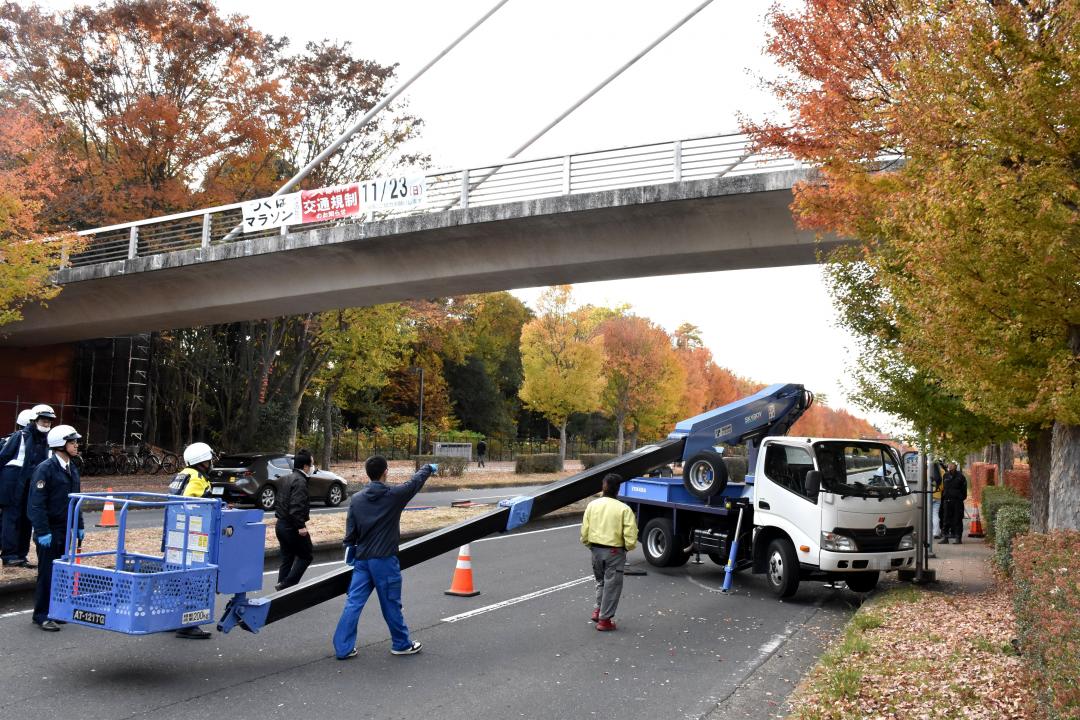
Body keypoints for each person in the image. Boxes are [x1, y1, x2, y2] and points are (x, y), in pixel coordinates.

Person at [332, 456, 436, 660]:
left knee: (353, 602)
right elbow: (413, 483)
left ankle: (343, 648)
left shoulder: (357, 499)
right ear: (385, 471)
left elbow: (350, 533)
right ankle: (401, 643)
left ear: (367, 473)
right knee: (390, 602)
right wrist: (428, 468)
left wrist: (352, 551)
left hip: (362, 560)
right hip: (385, 560)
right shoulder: (393, 496)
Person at [27, 424, 83, 631]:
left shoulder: (72, 468)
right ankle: (41, 615)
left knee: (60, 573)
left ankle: (55, 611)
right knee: (47, 573)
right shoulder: (45, 469)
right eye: (72, 441)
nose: (76, 445)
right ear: (60, 444)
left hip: (65, 528)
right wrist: (42, 531)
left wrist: (79, 525)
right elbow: (36, 504)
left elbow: (77, 501)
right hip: (49, 530)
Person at [580, 472, 638, 632]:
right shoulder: (624, 509)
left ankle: (598, 610)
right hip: (614, 551)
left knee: (601, 582)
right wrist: (627, 547)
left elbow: (585, 530)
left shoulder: (592, 505)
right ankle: (604, 621)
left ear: (603, 486)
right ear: (618, 490)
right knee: (612, 585)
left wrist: (589, 544)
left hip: (595, 550)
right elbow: (630, 535)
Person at [0, 404, 55, 568]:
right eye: (44, 421)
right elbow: (3, 457)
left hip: (31, 486)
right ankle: (9, 555)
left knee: (27, 520)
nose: (46, 424)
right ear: (35, 420)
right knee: (11, 519)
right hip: (13, 485)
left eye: (49, 422)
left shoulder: (47, 440)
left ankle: (21, 555)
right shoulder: (20, 436)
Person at [172, 442, 215, 639]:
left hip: (176, 533)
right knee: (196, 578)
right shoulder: (197, 478)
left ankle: (175, 618)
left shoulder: (182, 474)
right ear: (202, 462)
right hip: (193, 535)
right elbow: (189, 504)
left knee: (179, 577)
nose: (211, 463)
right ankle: (189, 623)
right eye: (209, 459)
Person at [275, 449, 314, 591]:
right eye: (312, 464)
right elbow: (296, 507)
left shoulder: (286, 478)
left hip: (280, 524)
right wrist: (301, 526)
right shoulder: (300, 481)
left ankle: (281, 591)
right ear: (305, 466)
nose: (313, 467)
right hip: (292, 527)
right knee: (306, 555)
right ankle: (287, 585)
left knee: (288, 558)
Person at [940, 462, 968, 544]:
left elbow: (964, 490)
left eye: (952, 464)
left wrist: (960, 498)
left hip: (957, 501)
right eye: (949, 464)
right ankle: (945, 537)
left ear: (956, 466)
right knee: (945, 519)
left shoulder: (961, 477)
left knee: (957, 519)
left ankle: (958, 537)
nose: (950, 466)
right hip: (947, 500)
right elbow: (943, 488)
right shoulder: (945, 475)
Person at [930, 460, 945, 540]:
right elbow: (943, 485)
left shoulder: (926, 469)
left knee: (928, 514)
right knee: (935, 514)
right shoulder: (942, 471)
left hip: (928, 495)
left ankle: (928, 532)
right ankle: (936, 532)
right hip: (937, 495)